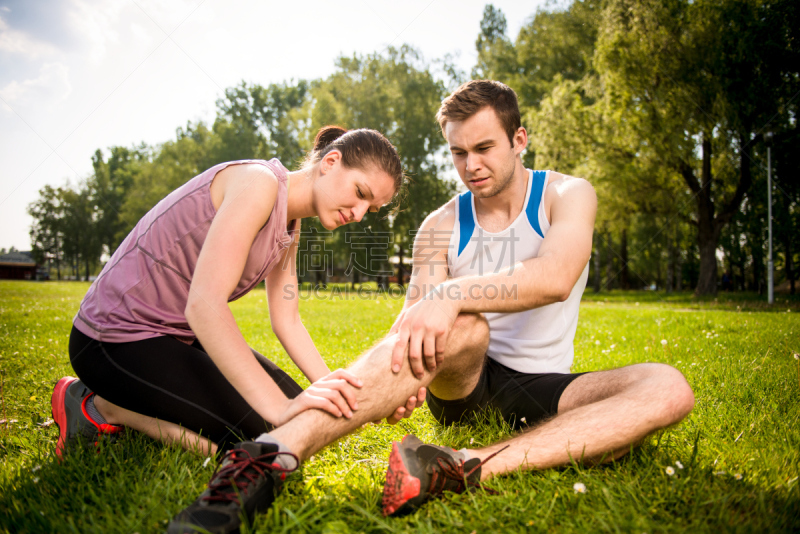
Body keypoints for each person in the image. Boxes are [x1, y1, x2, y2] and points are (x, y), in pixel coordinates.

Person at [168, 81, 695, 533]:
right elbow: (412, 326)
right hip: (464, 382)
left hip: (546, 384)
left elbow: (556, 278)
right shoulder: (440, 224)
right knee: (465, 326)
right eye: (458, 153)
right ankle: (271, 455)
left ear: (519, 140)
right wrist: (400, 375)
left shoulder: (568, 195)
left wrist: (451, 293)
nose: (472, 165)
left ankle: (461, 466)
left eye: (485, 147)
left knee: (667, 387)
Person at [51, 126, 424, 464]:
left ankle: (122, 403)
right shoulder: (258, 184)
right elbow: (205, 305)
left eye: (371, 209)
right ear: (330, 162)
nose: (359, 214)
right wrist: (279, 408)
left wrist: (346, 395)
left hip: (173, 338)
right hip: (111, 339)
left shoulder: (290, 228)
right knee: (266, 442)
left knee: (303, 419)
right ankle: (99, 407)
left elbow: (288, 321)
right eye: (360, 193)